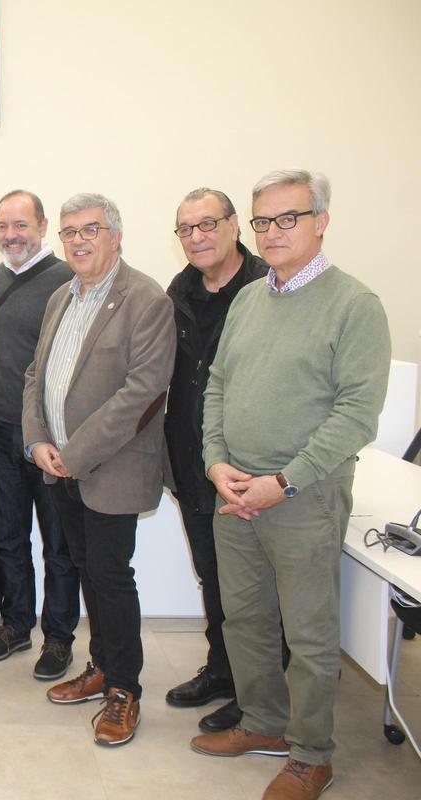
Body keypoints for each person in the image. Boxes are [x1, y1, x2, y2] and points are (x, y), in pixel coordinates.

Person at [191, 170, 391, 800]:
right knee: (245, 618)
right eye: (262, 221)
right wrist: (215, 463)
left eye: (288, 218)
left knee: (307, 633)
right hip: (235, 490)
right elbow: (218, 384)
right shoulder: (251, 298)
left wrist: (284, 480)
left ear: (321, 221)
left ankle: (311, 755)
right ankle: (263, 724)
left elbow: (357, 414)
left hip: (302, 494)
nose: (272, 232)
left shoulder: (355, 305)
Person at [23, 193, 175, 747]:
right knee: (86, 570)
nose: (78, 241)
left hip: (109, 468)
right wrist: (37, 441)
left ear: (115, 235)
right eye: (68, 232)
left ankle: (124, 691)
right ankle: (102, 666)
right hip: (60, 466)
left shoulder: (146, 298)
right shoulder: (61, 295)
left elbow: (143, 392)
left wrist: (75, 452)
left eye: (89, 229)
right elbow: (35, 375)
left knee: (112, 580)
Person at [163, 188, 269, 733]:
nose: (196, 236)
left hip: (248, 466)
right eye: (185, 228)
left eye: (207, 224)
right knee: (214, 577)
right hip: (189, 459)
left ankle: (261, 694)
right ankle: (223, 670)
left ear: (235, 226)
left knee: (253, 588)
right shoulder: (178, 291)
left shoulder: (266, 287)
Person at [0, 190, 80, 677]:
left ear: (42, 226)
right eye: (2, 226)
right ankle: (15, 624)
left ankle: (59, 638)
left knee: (59, 544)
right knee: (8, 535)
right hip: (0, 429)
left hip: (49, 435)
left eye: (20, 225)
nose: (10, 235)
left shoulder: (67, 279)